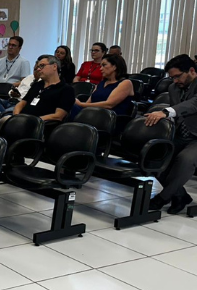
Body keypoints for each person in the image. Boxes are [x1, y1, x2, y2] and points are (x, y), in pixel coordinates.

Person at [145, 54, 197, 215]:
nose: (175, 81)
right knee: (155, 156)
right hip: (181, 135)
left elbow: (193, 104)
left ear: (192, 71)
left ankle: (162, 198)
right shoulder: (173, 88)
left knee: (185, 160)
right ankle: (180, 196)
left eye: (178, 76)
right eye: (172, 77)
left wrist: (166, 112)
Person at [70, 54, 134, 119]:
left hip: (109, 118)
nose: (100, 69)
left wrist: (80, 104)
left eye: (104, 65)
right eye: (100, 66)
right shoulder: (101, 83)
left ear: (115, 67)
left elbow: (109, 105)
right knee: (68, 105)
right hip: (93, 114)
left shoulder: (126, 83)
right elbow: (89, 102)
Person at [14, 55, 75, 123]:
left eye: (42, 66)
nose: (38, 69)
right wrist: (16, 116)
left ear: (54, 66)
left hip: (41, 126)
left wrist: (34, 120)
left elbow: (58, 116)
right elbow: (21, 103)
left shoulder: (66, 89)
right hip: (22, 121)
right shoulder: (37, 85)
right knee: (4, 120)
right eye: (38, 67)